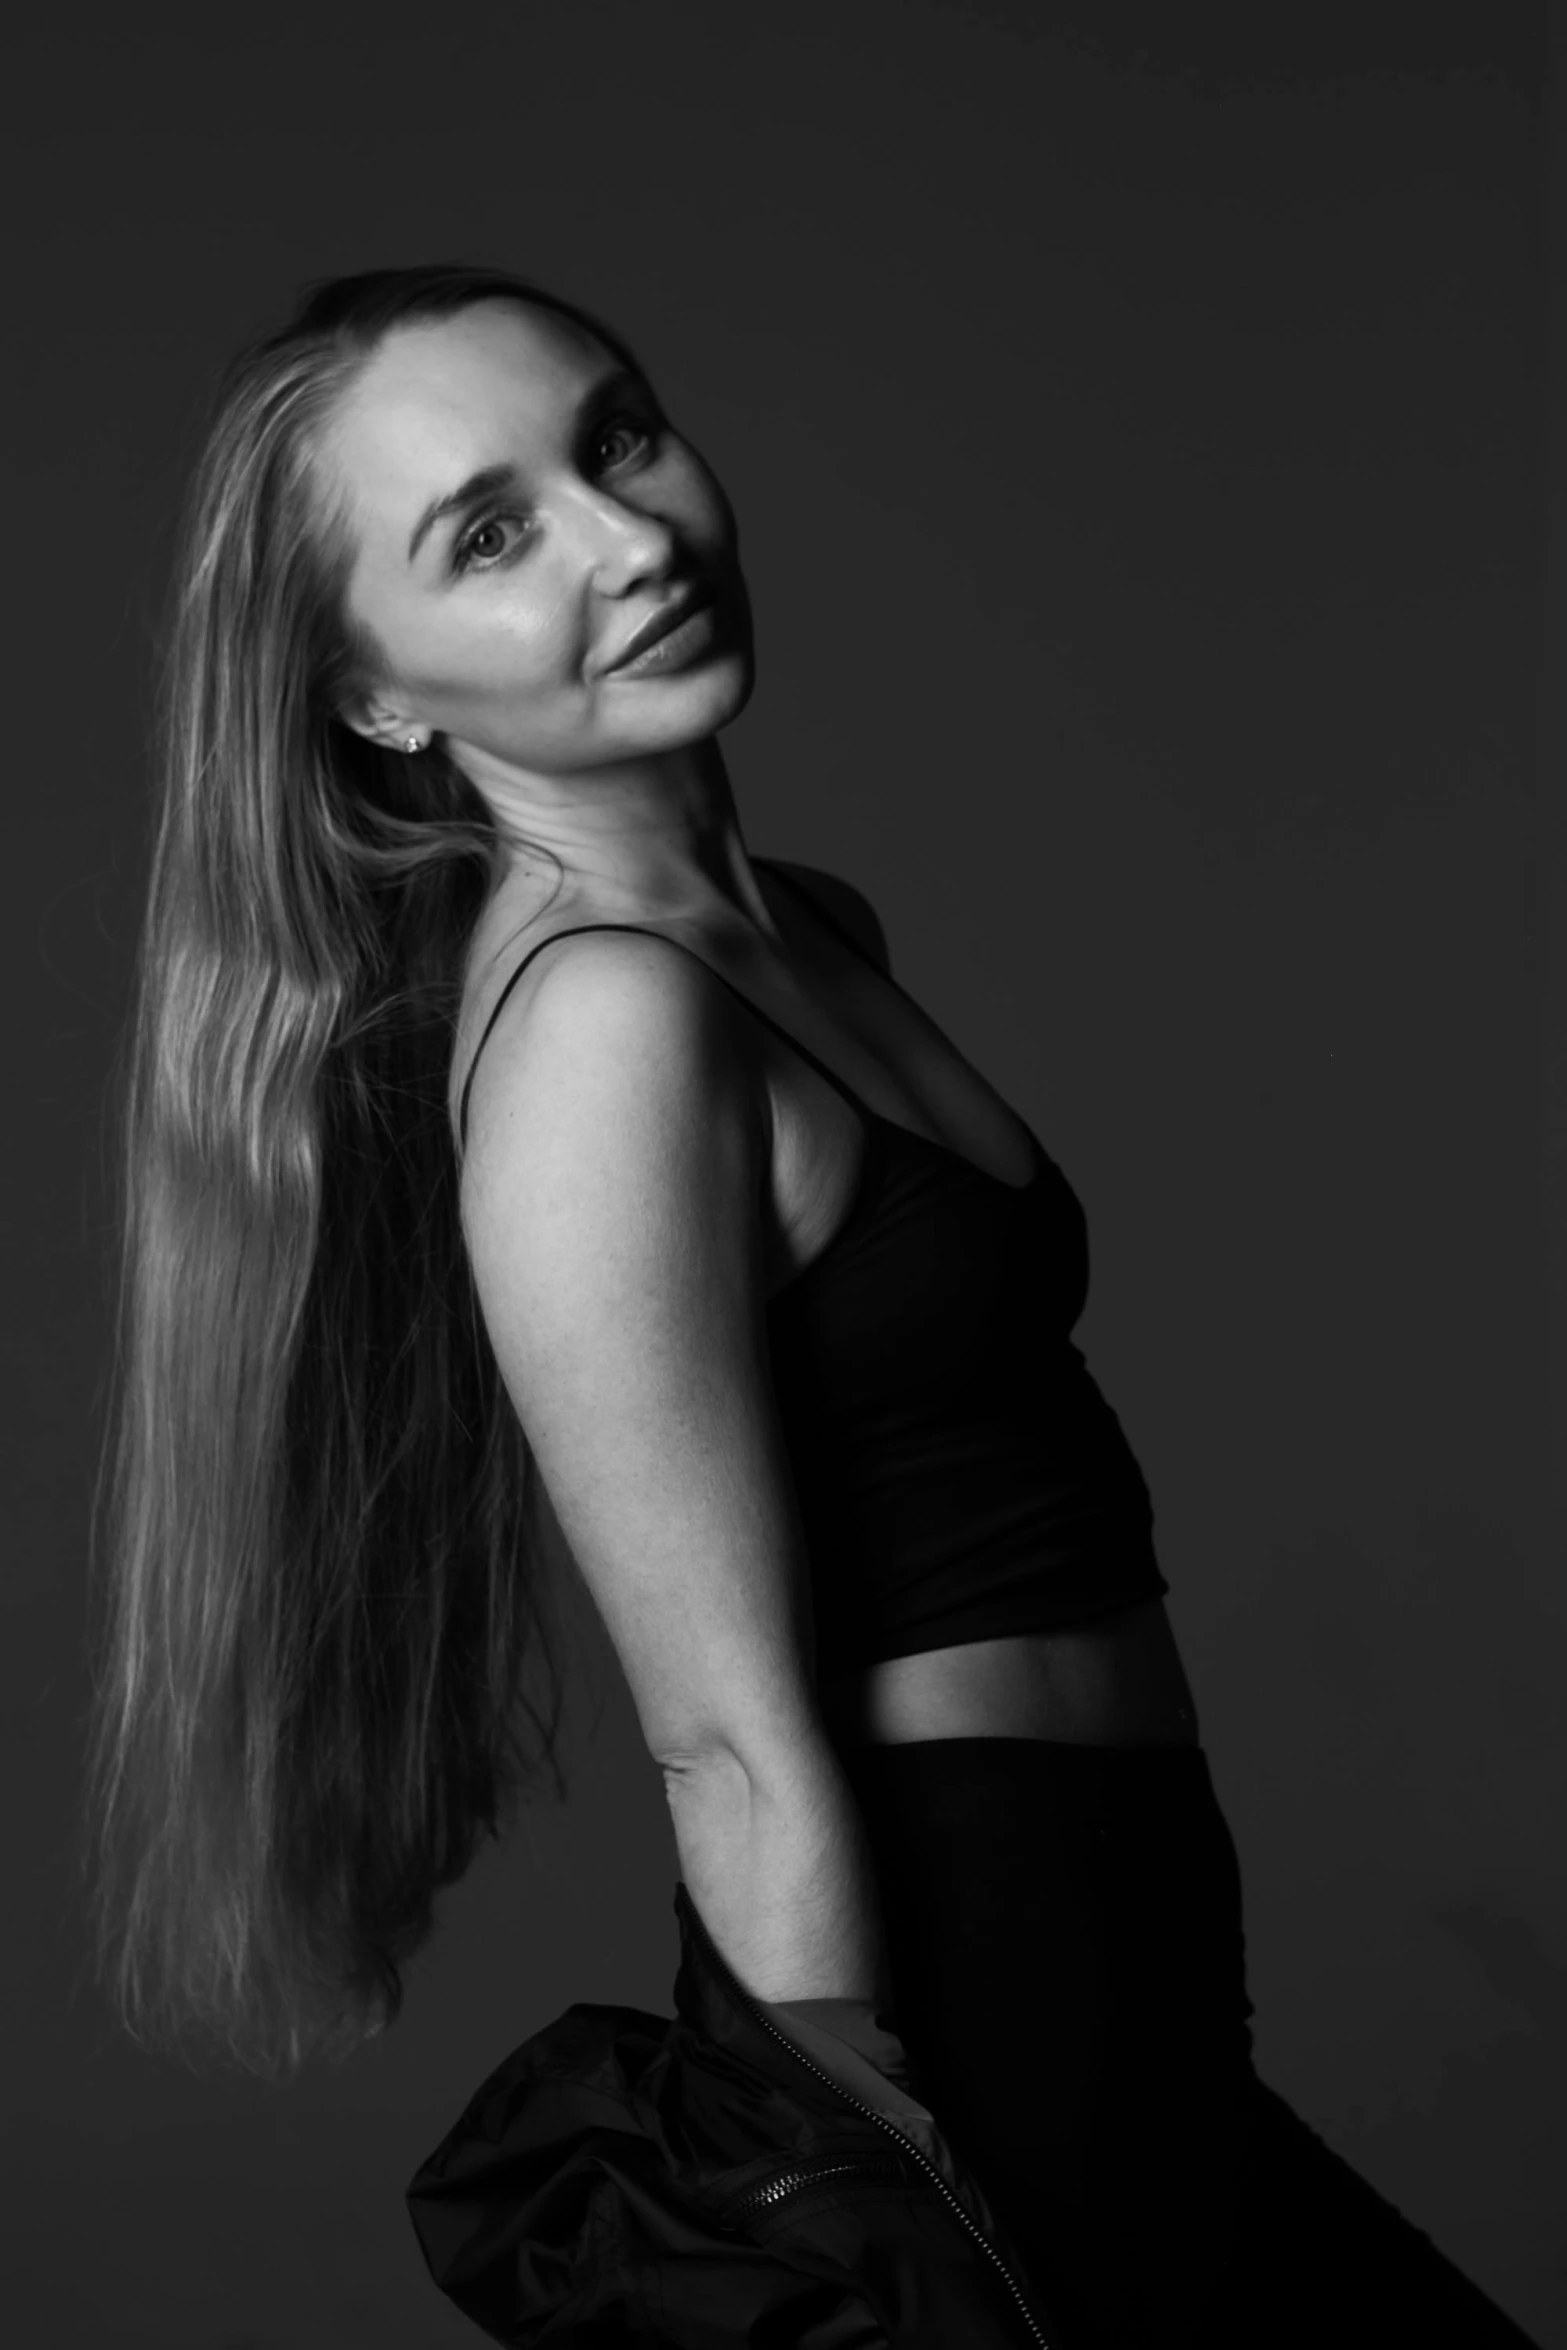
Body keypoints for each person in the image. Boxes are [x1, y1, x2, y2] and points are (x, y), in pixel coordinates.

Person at [82, 263, 1539, 2348]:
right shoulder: (603, 1029)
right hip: (970, 1992)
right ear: (382, 697)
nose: (629, 537)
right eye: (487, 534)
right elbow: (729, 1748)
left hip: (1126, 1956)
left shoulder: (800, 934)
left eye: (620, 437)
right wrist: (868, 2228)